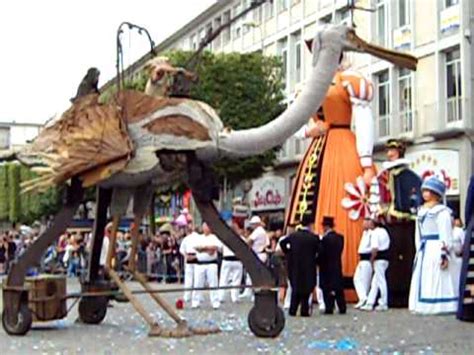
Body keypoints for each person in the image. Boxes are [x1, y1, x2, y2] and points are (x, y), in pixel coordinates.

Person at [285, 51, 376, 301]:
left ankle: (341, 284)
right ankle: (309, 284)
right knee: (312, 203)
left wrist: (366, 162)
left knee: (343, 203)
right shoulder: (308, 86)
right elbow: (290, 122)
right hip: (322, 150)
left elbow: (364, 117)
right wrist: (308, 131)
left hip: (341, 149)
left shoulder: (349, 80)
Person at [377, 139, 422, 307]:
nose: (389, 154)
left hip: (404, 225)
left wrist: (409, 209)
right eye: (388, 151)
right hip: (390, 225)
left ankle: (404, 295)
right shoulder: (385, 175)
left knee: (404, 259)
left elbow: (413, 196)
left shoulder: (407, 176)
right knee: (392, 261)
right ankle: (392, 295)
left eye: (393, 151)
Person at [409, 176, 458, 315]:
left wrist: (445, 252)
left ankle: (441, 305)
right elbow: (418, 233)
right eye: (424, 190)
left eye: (428, 191)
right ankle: (422, 305)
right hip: (425, 248)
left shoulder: (442, 212)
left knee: (437, 276)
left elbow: (446, 233)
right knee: (424, 276)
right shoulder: (421, 211)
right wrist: (418, 249)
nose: (425, 194)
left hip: (436, 247)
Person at [279, 215, 320, 317]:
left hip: (295, 265)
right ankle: (304, 310)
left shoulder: (294, 236)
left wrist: (289, 253)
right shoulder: (314, 238)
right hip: (308, 267)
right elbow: (320, 250)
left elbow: (282, 242)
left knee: (295, 288)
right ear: (310, 225)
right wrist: (315, 259)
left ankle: (293, 309)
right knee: (306, 289)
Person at [318, 216, 346, 315]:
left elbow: (321, 254)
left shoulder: (324, 240)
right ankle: (342, 307)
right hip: (337, 265)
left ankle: (329, 307)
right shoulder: (340, 238)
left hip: (325, 267)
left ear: (325, 227)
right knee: (338, 287)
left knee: (326, 288)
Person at [360, 221, 390, 311]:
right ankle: (370, 302)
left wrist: (371, 260)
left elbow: (374, 248)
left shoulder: (375, 233)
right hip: (385, 258)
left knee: (380, 281)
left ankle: (383, 302)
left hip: (379, 258)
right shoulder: (384, 231)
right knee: (375, 282)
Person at [191, 222, 222, 309]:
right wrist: (206, 249)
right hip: (200, 263)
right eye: (204, 226)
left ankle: (215, 301)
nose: (206, 228)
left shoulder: (214, 237)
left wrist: (204, 248)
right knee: (197, 283)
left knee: (213, 283)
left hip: (211, 263)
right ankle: (195, 301)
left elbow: (215, 248)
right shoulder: (199, 238)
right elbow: (197, 248)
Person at [240, 215, 269, 299]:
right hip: (262, 254)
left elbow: (249, 241)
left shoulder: (258, 231)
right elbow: (267, 243)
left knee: (253, 274)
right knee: (258, 274)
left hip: (257, 254)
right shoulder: (263, 231)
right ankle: (251, 292)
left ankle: (251, 292)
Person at [218, 220, 244, 304]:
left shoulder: (225, 237)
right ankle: (235, 297)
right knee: (236, 280)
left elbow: (220, 248)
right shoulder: (240, 238)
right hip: (237, 259)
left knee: (224, 279)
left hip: (227, 259)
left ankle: (221, 296)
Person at [353, 219, 374, 309]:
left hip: (367, 259)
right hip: (361, 259)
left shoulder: (372, 234)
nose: (364, 225)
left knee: (365, 281)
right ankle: (363, 298)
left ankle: (364, 300)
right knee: (357, 279)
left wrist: (371, 260)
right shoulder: (364, 234)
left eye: (366, 223)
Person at [179, 226, 200, 303]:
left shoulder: (186, 238)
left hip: (189, 256)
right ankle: (197, 296)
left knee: (189, 278)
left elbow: (181, 250)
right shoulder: (199, 238)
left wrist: (186, 256)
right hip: (195, 256)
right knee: (197, 278)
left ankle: (187, 296)